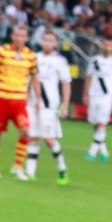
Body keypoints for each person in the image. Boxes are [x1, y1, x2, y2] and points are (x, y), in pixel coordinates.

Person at [0, 24, 41, 180]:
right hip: (1, 98)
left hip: (19, 100)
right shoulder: (1, 51)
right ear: (12, 36)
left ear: (26, 38)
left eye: (23, 35)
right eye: (17, 35)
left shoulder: (30, 55)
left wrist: (38, 98)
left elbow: (35, 77)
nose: (19, 38)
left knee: (25, 131)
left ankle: (17, 166)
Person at [25, 30, 71, 184]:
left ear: (55, 43)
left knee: (48, 140)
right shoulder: (34, 57)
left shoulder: (60, 61)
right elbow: (28, 79)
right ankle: (30, 172)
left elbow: (66, 83)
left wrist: (65, 105)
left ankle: (62, 169)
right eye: (45, 40)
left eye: (51, 40)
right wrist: (26, 95)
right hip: (32, 104)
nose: (47, 43)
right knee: (32, 136)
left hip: (49, 105)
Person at [83, 38, 112, 162]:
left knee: (102, 122)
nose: (107, 46)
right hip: (93, 95)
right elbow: (88, 77)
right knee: (95, 123)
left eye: (110, 45)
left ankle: (91, 152)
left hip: (106, 96)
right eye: (106, 44)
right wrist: (85, 94)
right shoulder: (94, 60)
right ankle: (103, 151)